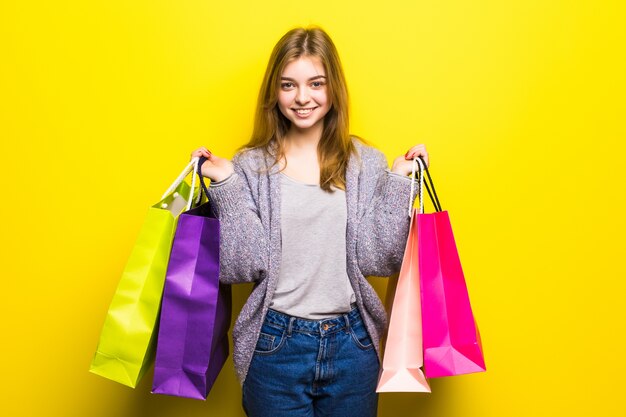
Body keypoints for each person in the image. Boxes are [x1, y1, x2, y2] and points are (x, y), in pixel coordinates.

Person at [190, 26, 429, 417]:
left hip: (353, 345)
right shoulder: (250, 166)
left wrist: (399, 181)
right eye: (289, 85)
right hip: (274, 347)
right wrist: (227, 185)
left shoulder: (365, 163)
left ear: (333, 88)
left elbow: (378, 260)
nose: (302, 98)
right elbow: (241, 266)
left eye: (315, 83)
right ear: (274, 92)